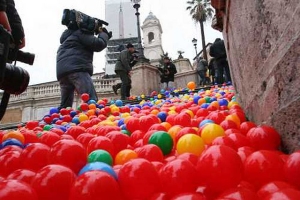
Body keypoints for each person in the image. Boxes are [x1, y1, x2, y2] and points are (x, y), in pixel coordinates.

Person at [56, 24, 111, 108]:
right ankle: (93, 119)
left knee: (65, 105)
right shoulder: (81, 33)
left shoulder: (68, 38)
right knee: (90, 99)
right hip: (77, 68)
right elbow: (99, 44)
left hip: (62, 72)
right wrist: (103, 34)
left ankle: (60, 118)